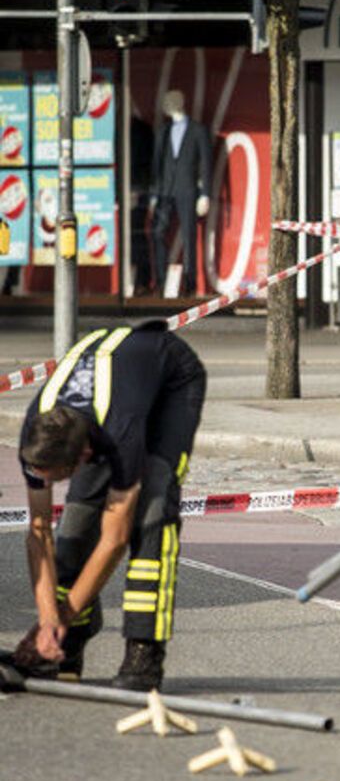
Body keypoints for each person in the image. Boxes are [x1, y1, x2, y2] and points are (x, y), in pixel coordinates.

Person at [11, 323, 206, 691]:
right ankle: (68, 644)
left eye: (57, 478)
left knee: (152, 516)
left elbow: (114, 540)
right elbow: (39, 532)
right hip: (113, 393)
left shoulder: (121, 432)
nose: (46, 486)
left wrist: (60, 618)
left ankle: (144, 652)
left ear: (84, 456)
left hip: (172, 382)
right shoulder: (35, 437)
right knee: (74, 528)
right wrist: (48, 618)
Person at [151, 90, 211, 297]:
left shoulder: (198, 131)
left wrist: (205, 193)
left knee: (189, 235)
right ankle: (161, 280)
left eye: (170, 100)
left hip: (188, 190)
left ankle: (190, 281)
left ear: (180, 102)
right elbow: (157, 165)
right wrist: (154, 193)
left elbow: (205, 164)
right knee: (158, 232)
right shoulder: (163, 131)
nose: (166, 104)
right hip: (165, 191)